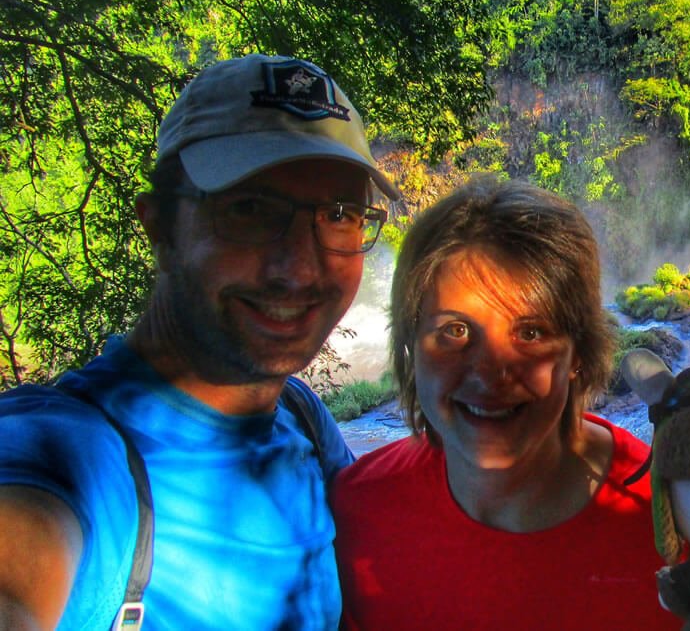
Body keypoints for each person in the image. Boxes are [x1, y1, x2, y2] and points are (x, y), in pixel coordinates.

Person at [0, 54, 398, 630]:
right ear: (160, 225)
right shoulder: (69, 456)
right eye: (250, 209)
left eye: (338, 214)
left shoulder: (300, 418)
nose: (299, 269)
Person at [332, 179, 679, 630]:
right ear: (410, 348)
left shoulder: (675, 524)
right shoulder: (356, 513)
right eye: (454, 331)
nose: (489, 373)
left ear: (579, 354)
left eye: (530, 333)